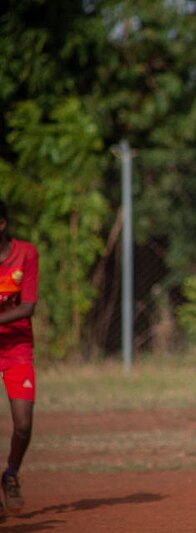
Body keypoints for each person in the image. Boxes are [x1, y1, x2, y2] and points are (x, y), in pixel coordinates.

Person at [0, 199, 39, 517]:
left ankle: (10, 473)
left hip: (17, 347)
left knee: (23, 424)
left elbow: (28, 307)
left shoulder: (25, 253)